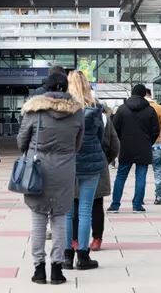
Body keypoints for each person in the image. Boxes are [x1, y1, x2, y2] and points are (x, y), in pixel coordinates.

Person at [18, 73, 84, 285]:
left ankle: (39, 270)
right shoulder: (77, 112)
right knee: (59, 219)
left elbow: (21, 140)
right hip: (65, 171)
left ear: (46, 88)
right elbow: (78, 144)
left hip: (37, 170)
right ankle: (57, 269)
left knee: (38, 220)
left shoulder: (34, 110)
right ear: (66, 88)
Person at [62, 70, 105, 271]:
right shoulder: (96, 109)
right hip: (91, 163)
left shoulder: (64, 109)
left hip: (68, 163)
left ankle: (67, 256)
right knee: (86, 210)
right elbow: (101, 137)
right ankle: (83, 256)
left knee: (68, 212)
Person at [71, 104, 119, 252]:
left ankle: (74, 240)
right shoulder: (103, 117)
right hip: (98, 164)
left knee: (75, 204)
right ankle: (97, 239)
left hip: (74, 165)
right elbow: (114, 145)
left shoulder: (70, 116)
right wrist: (106, 160)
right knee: (97, 204)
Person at [108, 84, 160, 212]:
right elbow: (155, 130)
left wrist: (121, 142)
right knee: (141, 176)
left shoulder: (122, 109)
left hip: (126, 147)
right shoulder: (150, 110)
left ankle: (115, 205)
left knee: (121, 176)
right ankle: (137, 205)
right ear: (143, 94)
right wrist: (148, 142)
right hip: (144, 148)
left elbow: (114, 129)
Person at [145, 88, 161, 204]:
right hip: (157, 143)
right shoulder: (158, 108)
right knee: (158, 169)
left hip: (141, 144)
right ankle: (159, 196)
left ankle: (139, 197)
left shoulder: (136, 107)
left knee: (141, 170)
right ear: (150, 95)